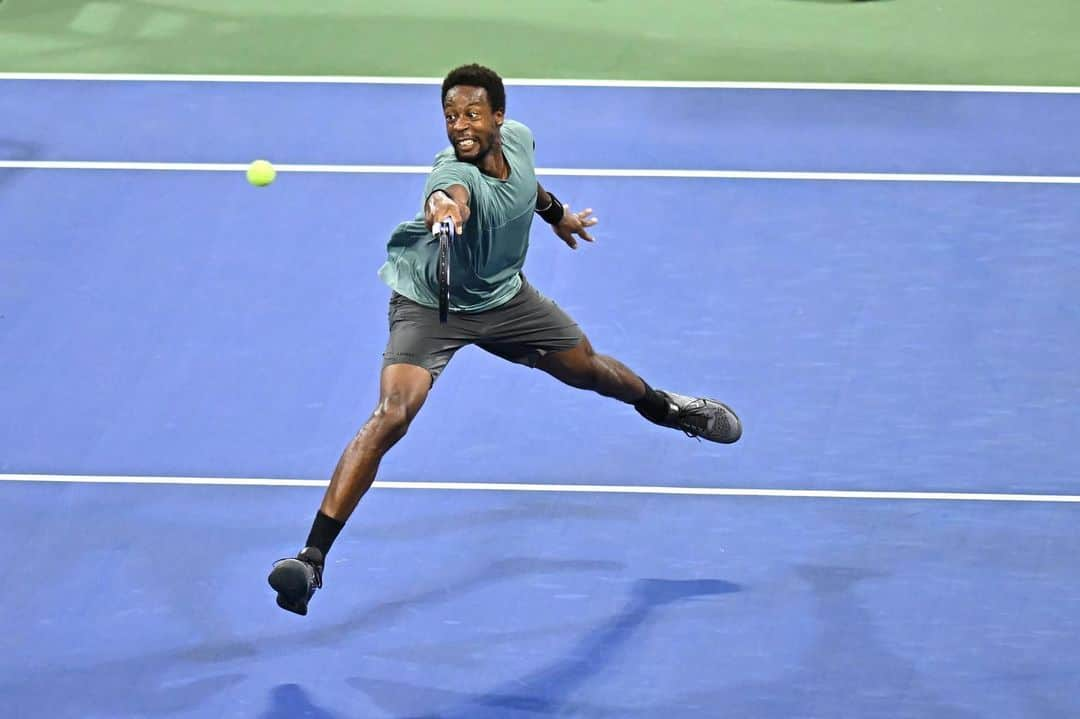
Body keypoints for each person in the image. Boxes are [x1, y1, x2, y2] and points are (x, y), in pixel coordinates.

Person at [268, 63, 741, 615]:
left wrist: (559, 214)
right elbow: (447, 196)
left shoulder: (518, 141)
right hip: (431, 307)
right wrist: (444, 213)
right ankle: (311, 558)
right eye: (450, 116)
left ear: (499, 116)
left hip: (504, 301)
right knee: (392, 414)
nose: (460, 126)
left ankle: (665, 408)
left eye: (471, 114)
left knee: (587, 369)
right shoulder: (453, 173)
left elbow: (527, 187)